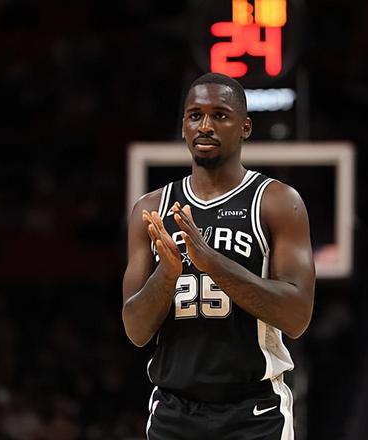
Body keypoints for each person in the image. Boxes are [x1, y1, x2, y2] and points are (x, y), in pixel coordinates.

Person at [122, 72, 315, 440]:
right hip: (174, 412)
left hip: (254, 413)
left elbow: (297, 317)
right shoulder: (150, 209)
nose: (205, 126)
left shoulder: (277, 202)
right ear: (183, 127)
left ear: (245, 127)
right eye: (195, 115)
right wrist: (166, 274)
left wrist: (211, 262)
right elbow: (135, 330)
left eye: (220, 115)